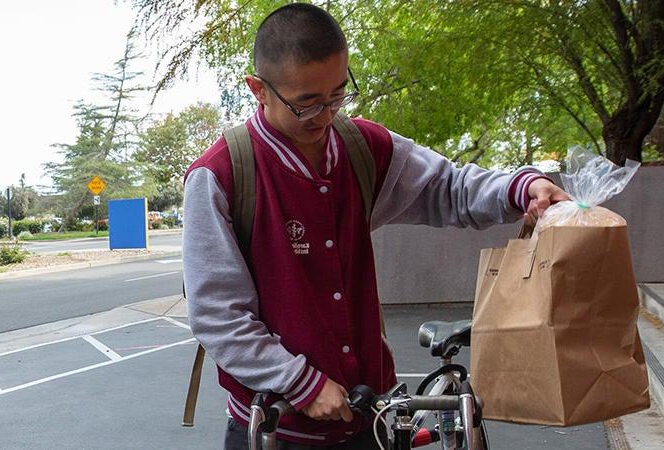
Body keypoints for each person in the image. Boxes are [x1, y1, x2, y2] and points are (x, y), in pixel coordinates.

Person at [181, 5, 571, 449]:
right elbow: (218, 315)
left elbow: (448, 186)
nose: (326, 116)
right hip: (278, 428)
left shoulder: (362, 148)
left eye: (337, 95)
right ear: (258, 90)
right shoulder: (221, 176)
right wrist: (300, 382)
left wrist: (522, 188)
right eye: (306, 103)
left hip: (369, 417)